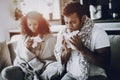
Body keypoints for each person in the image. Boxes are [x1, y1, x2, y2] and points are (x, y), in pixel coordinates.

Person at [52, 2, 110, 80]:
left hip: (95, 76)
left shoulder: (99, 33)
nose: (69, 27)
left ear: (83, 18)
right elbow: (60, 61)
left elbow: (106, 63)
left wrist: (82, 49)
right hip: (71, 75)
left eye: (73, 22)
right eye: (66, 22)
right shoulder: (63, 33)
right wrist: (66, 52)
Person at [1, 11, 57, 80]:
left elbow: (49, 59)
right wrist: (27, 49)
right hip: (24, 68)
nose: (32, 27)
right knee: (6, 72)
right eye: (29, 25)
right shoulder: (23, 37)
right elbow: (19, 57)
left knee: (54, 70)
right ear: (26, 25)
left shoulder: (49, 38)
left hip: (44, 68)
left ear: (41, 23)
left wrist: (30, 55)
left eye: (35, 24)